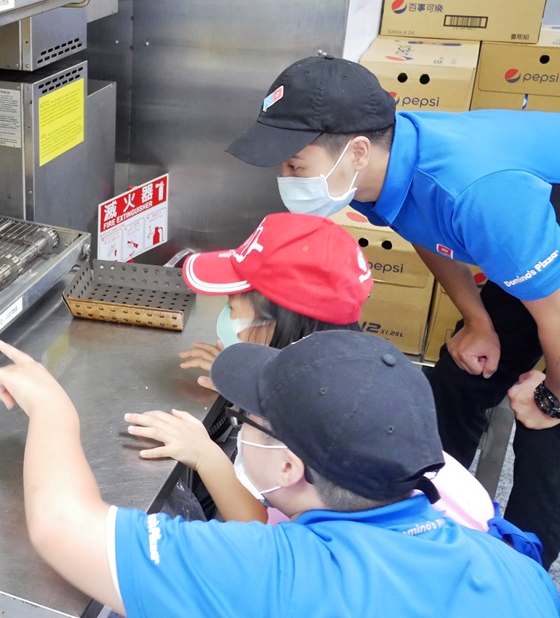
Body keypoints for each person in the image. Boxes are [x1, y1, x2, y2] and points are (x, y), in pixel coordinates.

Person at [0, 332, 560, 618]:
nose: (239, 428)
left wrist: (53, 409)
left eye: (244, 420)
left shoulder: (286, 579)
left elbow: (61, 526)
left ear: (288, 467)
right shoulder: (504, 558)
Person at [227, 53, 560, 568]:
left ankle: (515, 576)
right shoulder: (377, 169)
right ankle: (423, 519)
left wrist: (551, 397)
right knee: (460, 376)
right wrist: (477, 321)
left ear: (356, 151)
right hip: (531, 245)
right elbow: (423, 227)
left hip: (530, 230)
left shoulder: (478, 194)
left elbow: (554, 315)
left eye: (295, 165)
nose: (286, 176)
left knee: (546, 437)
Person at [131, 211, 501, 537]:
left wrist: (206, 455)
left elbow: (267, 535)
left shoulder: (309, 426)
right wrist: (245, 377)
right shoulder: (357, 370)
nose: (226, 315)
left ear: (273, 320)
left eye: (232, 304)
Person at [177, 211, 370, 393]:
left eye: (232, 305)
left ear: (279, 321)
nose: (228, 314)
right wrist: (247, 384)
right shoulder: (329, 372)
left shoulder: (322, 404)